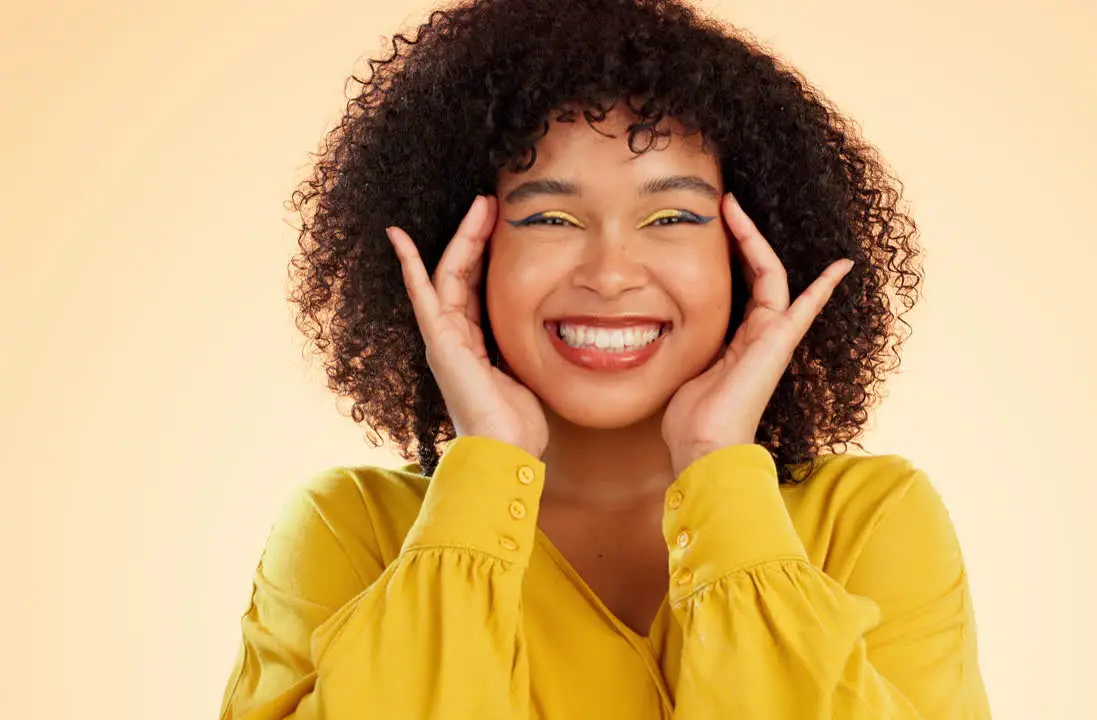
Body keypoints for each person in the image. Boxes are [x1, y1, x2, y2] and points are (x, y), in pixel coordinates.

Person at [218, 0, 990, 717]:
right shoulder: (348, 532)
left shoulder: (870, 521)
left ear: (752, 252)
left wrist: (720, 470)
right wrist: (485, 469)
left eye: (672, 216)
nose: (611, 273)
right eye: (551, 216)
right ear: (466, 248)